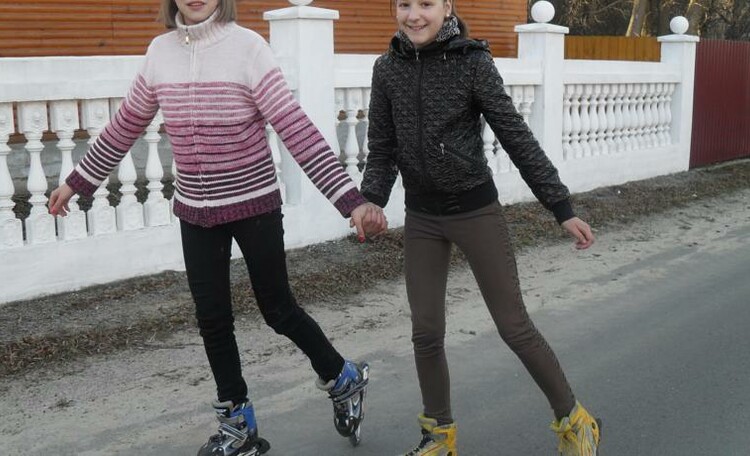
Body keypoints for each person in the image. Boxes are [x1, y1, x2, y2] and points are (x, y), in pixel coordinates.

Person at [48, 0, 387, 454]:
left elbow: (296, 130)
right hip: (195, 210)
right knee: (212, 319)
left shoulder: (249, 50)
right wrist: (77, 182)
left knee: (278, 309)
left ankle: (341, 376)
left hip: (254, 205)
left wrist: (351, 201)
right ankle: (238, 423)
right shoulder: (159, 52)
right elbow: (124, 125)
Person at [360, 1, 601, 455]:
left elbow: (515, 135)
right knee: (426, 332)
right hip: (423, 219)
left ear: (446, 6)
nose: (414, 15)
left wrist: (560, 206)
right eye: (404, 4)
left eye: (425, 4)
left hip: (475, 212)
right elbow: (382, 145)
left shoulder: (472, 61)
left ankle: (576, 421)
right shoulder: (386, 68)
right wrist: (371, 198)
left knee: (514, 326)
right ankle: (439, 436)